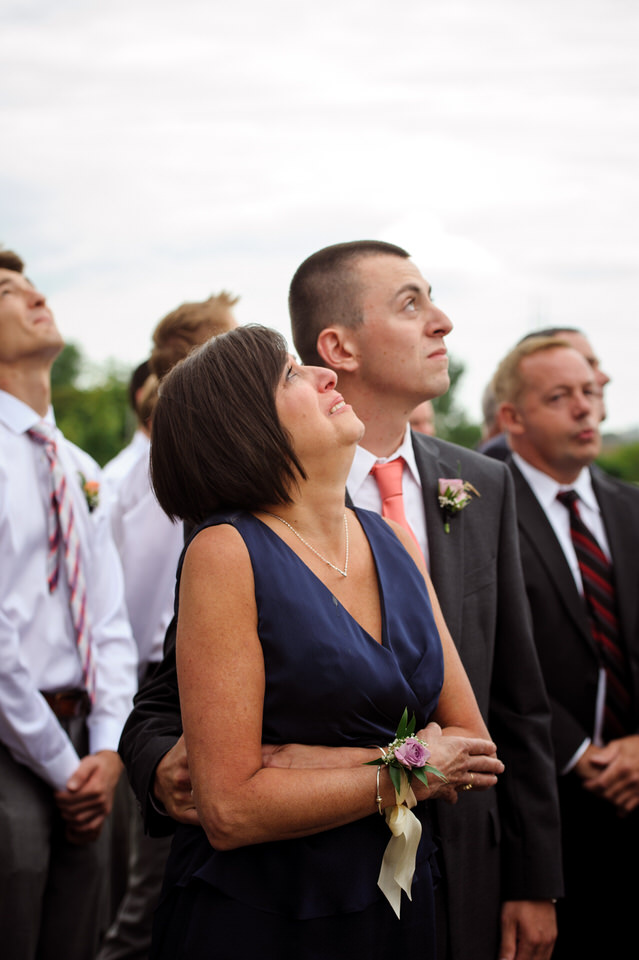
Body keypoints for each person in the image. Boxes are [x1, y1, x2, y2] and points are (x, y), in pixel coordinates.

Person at [120, 241, 563, 960]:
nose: (323, 376)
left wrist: (305, 765)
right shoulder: (227, 550)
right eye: (295, 373)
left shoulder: (397, 540)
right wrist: (410, 765)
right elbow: (221, 787)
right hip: (272, 910)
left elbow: (485, 731)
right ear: (247, 424)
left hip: (409, 893)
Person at [0, 248, 137, 960]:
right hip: (13, 749)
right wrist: (61, 766)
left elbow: (107, 617)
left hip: (88, 745)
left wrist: (109, 746)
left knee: (82, 941)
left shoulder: (78, 467)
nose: (33, 296)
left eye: (33, 283)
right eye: (6, 289)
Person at [99, 294, 238, 960]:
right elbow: (146, 609)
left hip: (182, 691)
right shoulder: (162, 480)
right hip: (170, 700)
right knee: (147, 900)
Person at [493, 336, 639, 957]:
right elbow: (486, 660)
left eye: (590, 393)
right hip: (540, 812)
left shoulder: (631, 507)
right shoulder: (478, 506)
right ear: (513, 418)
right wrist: (578, 752)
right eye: (560, 397)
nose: (585, 410)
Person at [480, 326, 611, 462]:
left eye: (587, 391)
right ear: (513, 417)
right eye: (558, 396)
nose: (605, 378)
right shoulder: (489, 473)